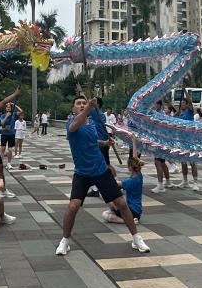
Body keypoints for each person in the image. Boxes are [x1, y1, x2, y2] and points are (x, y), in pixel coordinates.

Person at [56, 95, 149, 256]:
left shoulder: (92, 123)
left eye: (84, 103)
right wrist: (88, 107)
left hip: (100, 170)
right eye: (78, 103)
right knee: (73, 206)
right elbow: (75, 127)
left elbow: (93, 141)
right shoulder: (71, 123)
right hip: (82, 173)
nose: (82, 105)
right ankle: (64, 241)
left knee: (121, 203)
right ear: (73, 109)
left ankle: (136, 238)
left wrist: (105, 143)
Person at [103, 154, 144, 224]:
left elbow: (118, 184)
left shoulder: (132, 181)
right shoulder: (139, 176)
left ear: (130, 167)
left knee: (107, 211)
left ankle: (129, 221)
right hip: (137, 211)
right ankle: (130, 219)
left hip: (132, 211)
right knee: (109, 212)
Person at [177, 97, 199, 191]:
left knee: (192, 162)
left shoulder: (189, 112)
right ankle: (185, 181)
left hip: (190, 141)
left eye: (183, 103)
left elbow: (190, 102)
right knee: (183, 162)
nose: (182, 104)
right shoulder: (180, 114)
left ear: (187, 104)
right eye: (181, 103)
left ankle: (195, 182)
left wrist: (185, 90)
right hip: (182, 141)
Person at [0, 101, 16, 170]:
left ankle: (9, 163)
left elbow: (21, 111)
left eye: (9, 107)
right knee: (2, 148)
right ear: (5, 108)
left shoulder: (14, 114)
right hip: (4, 134)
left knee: (10, 149)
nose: (8, 108)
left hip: (11, 134)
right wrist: (7, 116)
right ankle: (0, 163)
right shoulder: (3, 115)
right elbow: (1, 123)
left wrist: (14, 104)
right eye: (7, 107)